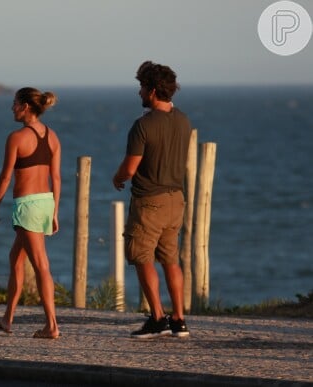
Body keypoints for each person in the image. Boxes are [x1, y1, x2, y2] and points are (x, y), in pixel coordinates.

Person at [112, 61, 192, 339]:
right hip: (176, 199)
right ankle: (179, 319)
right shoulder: (183, 120)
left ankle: (157, 318)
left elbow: (130, 168)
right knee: (171, 259)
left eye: (142, 87)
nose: (139, 93)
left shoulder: (143, 126)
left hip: (149, 201)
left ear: (153, 90)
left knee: (141, 255)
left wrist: (118, 177)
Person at [0, 87, 61, 339]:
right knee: (15, 258)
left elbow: (6, 175)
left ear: (26, 106)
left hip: (28, 206)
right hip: (45, 203)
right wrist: (55, 212)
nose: (12, 108)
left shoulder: (17, 138)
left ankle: (51, 325)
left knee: (41, 265)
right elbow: (56, 177)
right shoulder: (52, 136)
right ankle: (7, 319)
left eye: (15, 103)